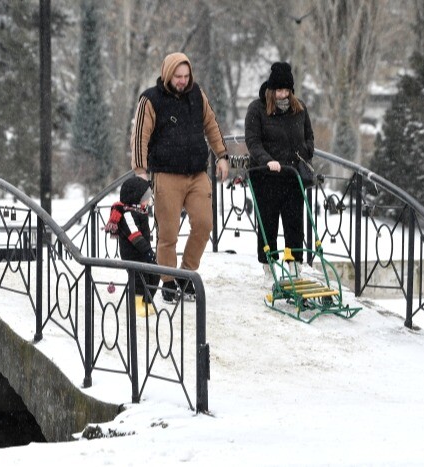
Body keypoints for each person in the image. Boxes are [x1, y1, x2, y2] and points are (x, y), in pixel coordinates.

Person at [130, 52, 230, 303]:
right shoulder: (150, 99)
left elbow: (212, 125)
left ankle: (186, 273)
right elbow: (140, 135)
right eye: (178, 76)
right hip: (166, 174)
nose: (183, 81)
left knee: (205, 224)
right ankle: (168, 280)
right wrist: (140, 170)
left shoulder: (197, 95)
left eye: (186, 76)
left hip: (197, 173)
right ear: (167, 74)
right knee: (168, 233)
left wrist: (222, 155)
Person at [244, 61, 314, 281]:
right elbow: (253, 142)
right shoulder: (257, 109)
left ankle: (294, 266)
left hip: (293, 177)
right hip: (266, 176)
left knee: (294, 222)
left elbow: (309, 135)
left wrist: (306, 151)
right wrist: (267, 160)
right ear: (271, 90)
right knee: (268, 223)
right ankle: (269, 266)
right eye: (279, 90)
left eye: (286, 90)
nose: (283, 95)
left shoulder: (299, 108)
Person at [105, 176, 159, 316]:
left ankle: (147, 302)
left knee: (154, 275)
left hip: (142, 251)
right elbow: (134, 235)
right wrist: (147, 251)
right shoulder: (127, 214)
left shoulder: (140, 212)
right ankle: (136, 304)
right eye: (146, 197)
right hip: (132, 254)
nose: (149, 201)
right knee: (139, 279)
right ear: (136, 198)